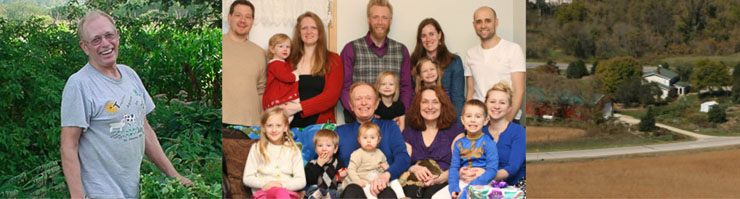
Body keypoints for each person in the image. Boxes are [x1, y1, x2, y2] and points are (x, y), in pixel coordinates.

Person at [60, 9, 191, 198]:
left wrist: (174, 175)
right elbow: (68, 145)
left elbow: (144, 129)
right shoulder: (79, 84)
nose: (105, 43)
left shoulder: (129, 75)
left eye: (109, 35)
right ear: (84, 47)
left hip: (133, 191)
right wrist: (77, 196)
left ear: (118, 36)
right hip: (100, 193)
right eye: (96, 39)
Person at [340, 0, 412, 124]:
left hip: (392, 123)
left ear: (390, 21)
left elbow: (406, 87)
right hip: (358, 123)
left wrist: (401, 114)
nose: (380, 22)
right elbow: (344, 88)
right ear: (368, 19)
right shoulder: (351, 49)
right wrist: (361, 114)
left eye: (384, 18)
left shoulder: (401, 50)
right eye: (375, 17)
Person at [336, 82, 410, 198]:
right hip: (354, 187)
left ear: (376, 103)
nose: (364, 102)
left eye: (368, 98)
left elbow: (403, 158)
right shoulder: (340, 132)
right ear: (351, 105)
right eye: (358, 99)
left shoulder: (390, 127)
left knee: (387, 192)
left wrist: (387, 175)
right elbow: (329, 161)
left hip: (383, 184)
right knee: (352, 190)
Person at [280, 11, 343, 128]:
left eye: (313, 27)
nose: (309, 32)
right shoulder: (288, 60)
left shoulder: (333, 60)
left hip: (320, 127)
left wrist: (299, 107)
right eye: (304, 28)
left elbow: (331, 97)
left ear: (319, 32)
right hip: (289, 125)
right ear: (299, 33)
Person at [464, 6, 526, 125]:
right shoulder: (470, 54)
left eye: (488, 21)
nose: (483, 26)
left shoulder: (513, 49)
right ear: (474, 25)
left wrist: (505, 123)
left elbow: (519, 90)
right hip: (479, 122)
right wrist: (470, 120)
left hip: (508, 119)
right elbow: (470, 92)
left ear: (496, 22)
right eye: (479, 22)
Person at [401, 85, 463, 198]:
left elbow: (460, 167)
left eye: (435, 102)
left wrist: (438, 179)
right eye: (425, 102)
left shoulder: (456, 131)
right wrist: (414, 168)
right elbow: (403, 163)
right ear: (418, 106)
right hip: (413, 183)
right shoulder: (409, 132)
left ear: (442, 106)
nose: (430, 107)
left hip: (444, 182)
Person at [243, 108, 305, 199]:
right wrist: (267, 184)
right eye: (269, 125)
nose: (274, 130)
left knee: (281, 192)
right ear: (263, 128)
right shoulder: (256, 148)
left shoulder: (293, 150)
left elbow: (301, 181)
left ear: (285, 127)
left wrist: (281, 185)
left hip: (287, 193)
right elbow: (247, 178)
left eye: (278, 125)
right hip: (263, 193)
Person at [222, 0, 266, 128]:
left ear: (252, 21)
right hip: (221, 123)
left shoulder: (260, 53)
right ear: (229, 18)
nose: (243, 20)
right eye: (238, 15)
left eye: (248, 17)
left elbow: (261, 90)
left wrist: (262, 123)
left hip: (251, 125)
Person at [410, 18, 465, 120]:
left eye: (431, 34)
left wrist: (458, 128)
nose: (428, 39)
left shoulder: (454, 61)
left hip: (447, 120)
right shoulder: (413, 62)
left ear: (439, 35)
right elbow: (412, 97)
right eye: (423, 36)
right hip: (421, 121)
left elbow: (458, 98)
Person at [445, 100, 498, 199]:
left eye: (478, 116)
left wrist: (469, 189)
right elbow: (454, 168)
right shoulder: (459, 144)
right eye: (469, 116)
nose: (473, 120)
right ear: (462, 120)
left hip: (483, 182)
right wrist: (454, 188)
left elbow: (492, 170)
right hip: (463, 182)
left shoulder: (489, 143)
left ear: (485, 120)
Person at [482, 82, 526, 188]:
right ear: (485, 104)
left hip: (515, 186)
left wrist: (484, 176)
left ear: (509, 107)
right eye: (492, 102)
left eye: (502, 103)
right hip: (485, 184)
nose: (496, 106)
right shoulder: (480, 132)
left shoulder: (518, 132)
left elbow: (513, 168)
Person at [345, 122, 400, 199]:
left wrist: (386, 168)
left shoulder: (380, 153)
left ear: (378, 139)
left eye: (372, 138)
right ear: (359, 139)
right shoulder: (357, 154)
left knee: (394, 180)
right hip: (364, 183)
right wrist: (358, 181)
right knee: (369, 191)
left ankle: (402, 196)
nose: (368, 141)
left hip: (378, 182)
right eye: (365, 138)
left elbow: (386, 167)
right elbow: (351, 169)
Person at [305, 129, 348, 199]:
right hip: (315, 191)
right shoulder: (311, 164)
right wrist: (318, 165)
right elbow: (309, 180)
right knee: (314, 191)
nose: (324, 149)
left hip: (332, 192)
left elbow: (339, 180)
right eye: (320, 146)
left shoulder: (338, 162)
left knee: (335, 193)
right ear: (315, 149)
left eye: (328, 145)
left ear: (335, 149)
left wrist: (343, 176)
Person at [262, 33, 300, 112]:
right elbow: (286, 77)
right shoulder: (275, 64)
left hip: (281, 99)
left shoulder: (283, 63)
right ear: (272, 50)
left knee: (285, 118)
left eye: (288, 47)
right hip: (276, 98)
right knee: (279, 118)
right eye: (281, 46)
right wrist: (296, 75)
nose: (285, 49)